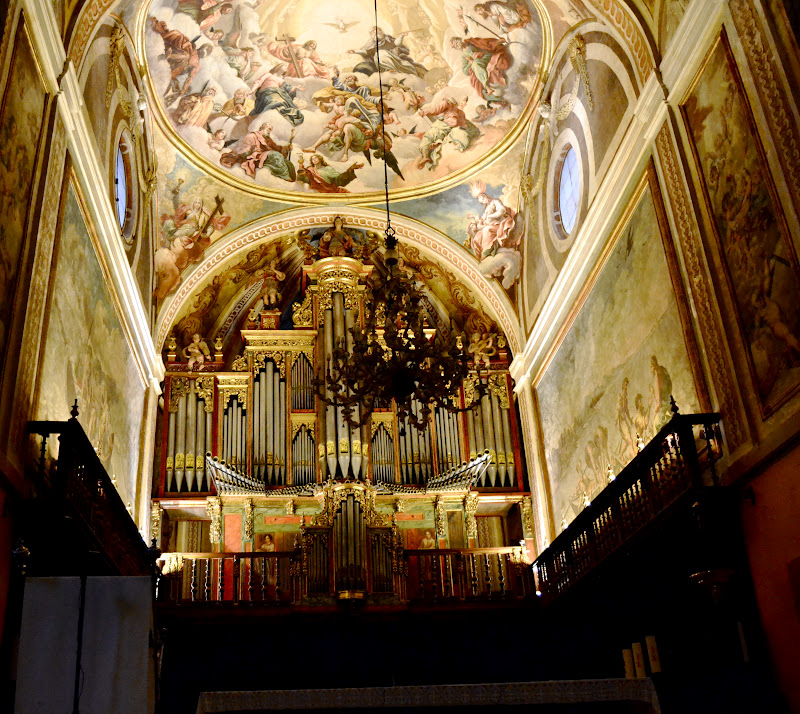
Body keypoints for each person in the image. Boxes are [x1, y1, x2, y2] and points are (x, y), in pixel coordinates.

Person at [416, 97, 480, 170]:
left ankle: (426, 156)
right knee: (444, 133)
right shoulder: (459, 111)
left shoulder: (445, 103)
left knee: (429, 136)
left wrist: (424, 111)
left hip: (448, 123)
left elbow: (435, 111)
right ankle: (438, 143)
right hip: (458, 124)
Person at [450, 36, 512, 109]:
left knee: (476, 63)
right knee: (477, 84)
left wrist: (497, 42)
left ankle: (487, 86)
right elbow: (465, 71)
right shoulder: (464, 56)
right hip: (478, 65)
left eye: (455, 42)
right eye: (454, 46)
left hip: (486, 57)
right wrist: (470, 62)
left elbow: (485, 43)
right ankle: (499, 99)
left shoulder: (471, 42)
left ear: (458, 39)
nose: (456, 45)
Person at [220, 123, 295, 181]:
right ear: (263, 127)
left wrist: (287, 148)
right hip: (256, 155)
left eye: (270, 130)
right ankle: (285, 176)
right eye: (268, 129)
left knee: (288, 163)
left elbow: (276, 147)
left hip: (265, 155)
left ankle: (291, 179)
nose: (269, 131)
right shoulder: (252, 135)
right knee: (276, 155)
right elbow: (244, 147)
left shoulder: (267, 139)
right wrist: (250, 149)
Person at [349, 27, 427, 77]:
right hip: (381, 61)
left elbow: (396, 44)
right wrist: (355, 51)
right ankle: (389, 69)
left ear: (380, 31)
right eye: (372, 32)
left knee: (407, 65)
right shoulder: (371, 44)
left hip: (395, 58)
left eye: (376, 31)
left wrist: (401, 36)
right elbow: (365, 52)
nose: (375, 33)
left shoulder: (388, 39)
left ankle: (397, 69)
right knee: (380, 54)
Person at [467, 189, 517, 259]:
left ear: (485, 196)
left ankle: (486, 251)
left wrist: (491, 216)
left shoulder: (495, 202)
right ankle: (481, 253)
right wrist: (474, 217)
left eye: (483, 199)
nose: (484, 201)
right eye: (482, 202)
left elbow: (502, 211)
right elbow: (482, 220)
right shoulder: (486, 209)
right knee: (478, 236)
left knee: (486, 230)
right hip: (491, 225)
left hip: (499, 224)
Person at [296, 153, 363, 193]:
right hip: (317, 190)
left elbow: (339, 178)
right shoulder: (310, 169)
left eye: (316, 158)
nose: (314, 160)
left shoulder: (328, 169)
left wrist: (350, 169)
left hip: (331, 190)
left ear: (320, 159)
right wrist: (301, 168)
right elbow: (303, 177)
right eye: (313, 159)